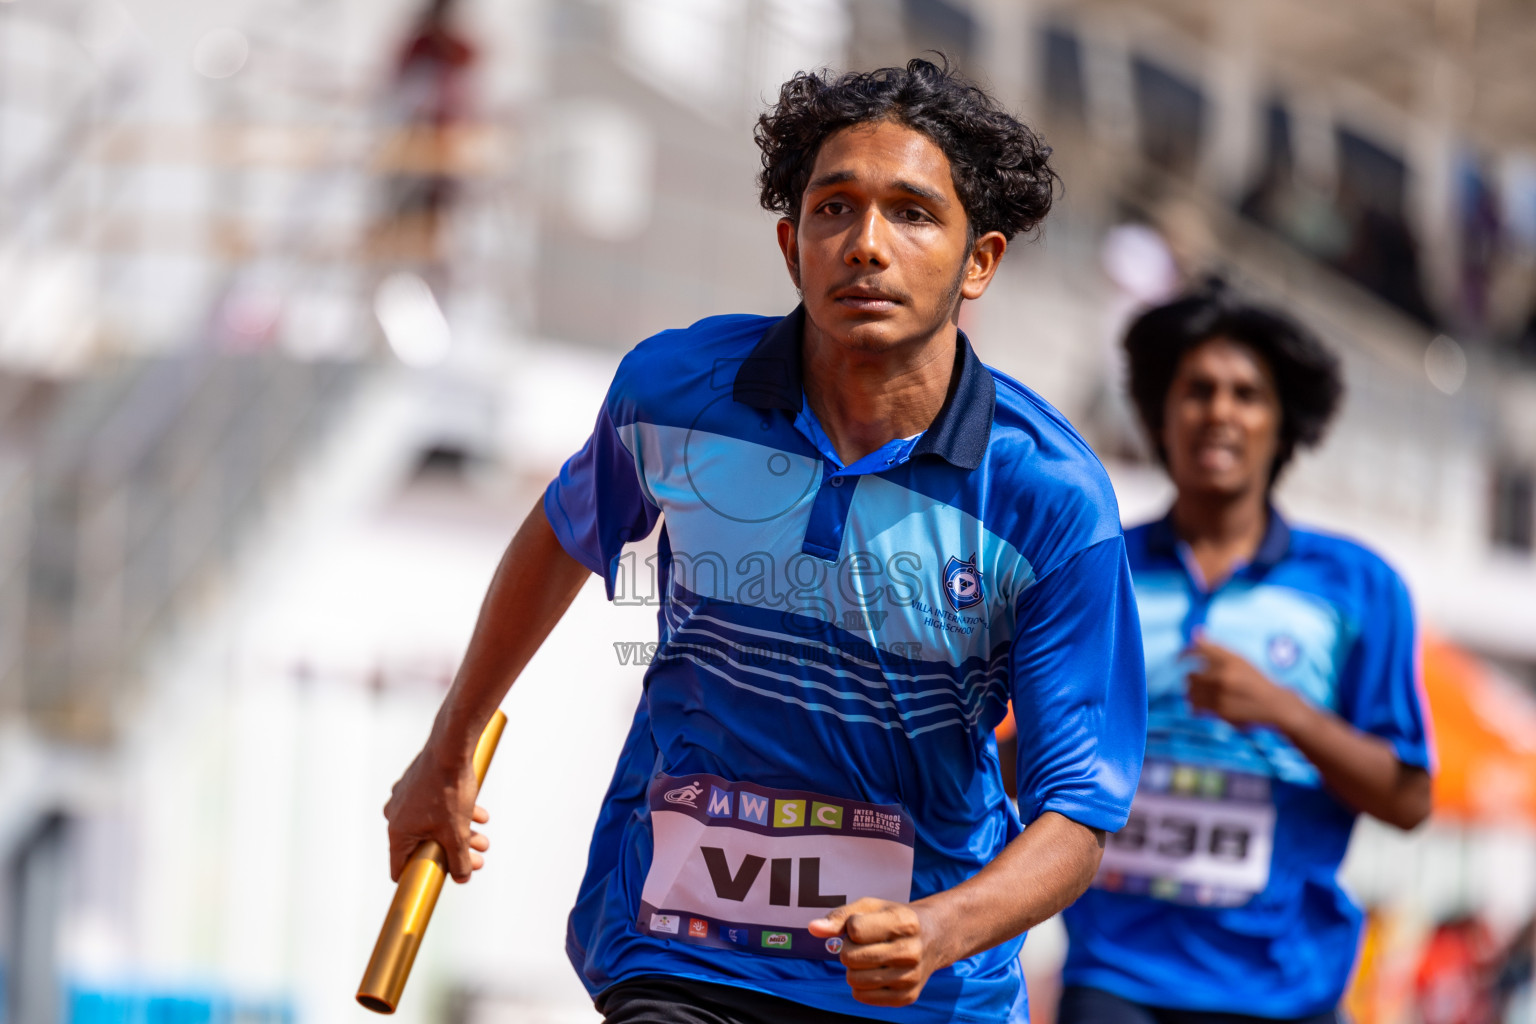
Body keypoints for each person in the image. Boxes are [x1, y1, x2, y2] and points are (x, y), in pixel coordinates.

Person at [383, 58, 1147, 1023]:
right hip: (679, 948)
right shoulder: (674, 392)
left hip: (915, 991)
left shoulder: (1050, 495)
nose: (866, 244)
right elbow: (560, 536)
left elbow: (1078, 815)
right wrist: (446, 750)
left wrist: (941, 928)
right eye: (834, 209)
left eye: (912, 214)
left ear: (979, 260)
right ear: (792, 246)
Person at [1058, 286, 1434, 1023]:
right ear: (1161, 414)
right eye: (1196, 391)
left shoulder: (1357, 586)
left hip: (1287, 985)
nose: (1219, 412)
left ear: (1282, 423)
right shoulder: (1099, 569)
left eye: (1246, 395)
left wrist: (1284, 711)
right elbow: (1025, 757)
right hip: (1118, 975)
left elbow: (1409, 800)